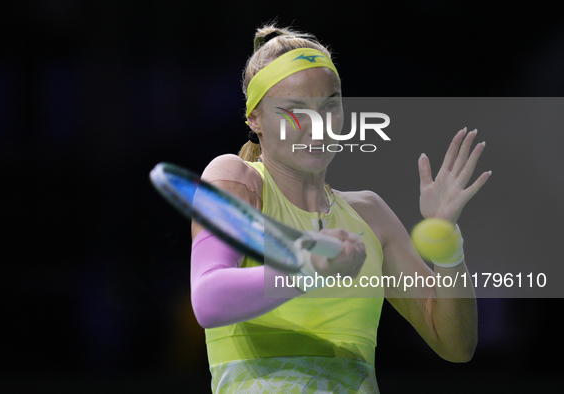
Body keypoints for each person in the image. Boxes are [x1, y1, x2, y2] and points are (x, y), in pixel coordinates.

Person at [189, 24, 491, 394]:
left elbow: (455, 345)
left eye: (329, 106)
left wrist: (447, 242)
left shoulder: (371, 214)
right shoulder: (234, 178)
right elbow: (207, 299)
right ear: (255, 119)